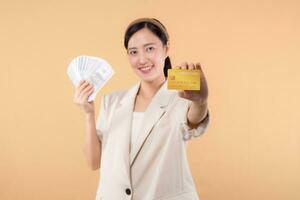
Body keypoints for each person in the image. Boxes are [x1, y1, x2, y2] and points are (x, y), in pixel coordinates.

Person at [73, 18, 210, 200]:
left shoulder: (182, 96)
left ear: (166, 49)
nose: (142, 59)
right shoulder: (112, 101)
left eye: (150, 48)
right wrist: (88, 114)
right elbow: (93, 162)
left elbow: (194, 119)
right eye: (133, 52)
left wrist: (201, 101)